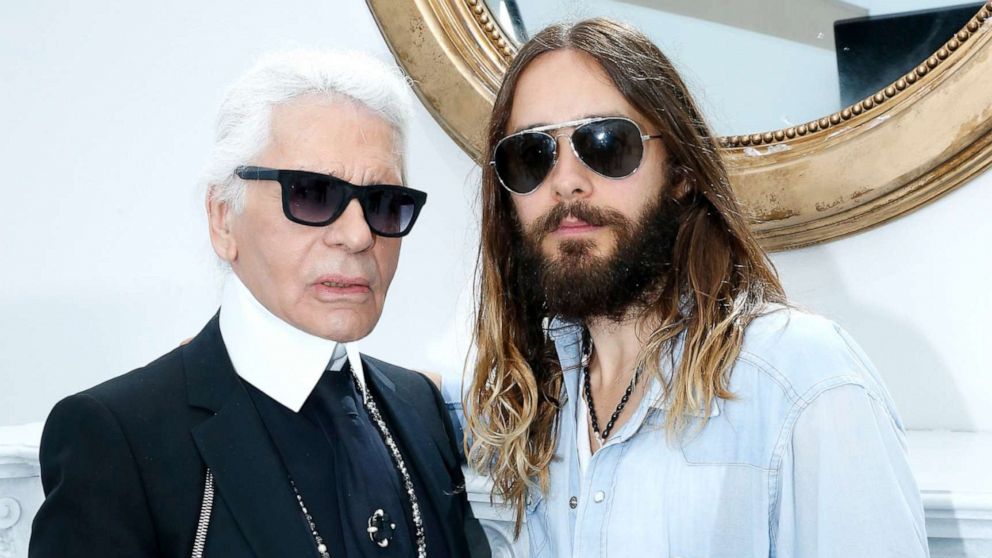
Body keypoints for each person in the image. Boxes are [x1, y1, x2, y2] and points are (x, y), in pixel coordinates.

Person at [465, 18, 929, 557]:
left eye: (606, 144)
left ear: (681, 172)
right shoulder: (532, 394)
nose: (566, 180)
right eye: (531, 155)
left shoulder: (805, 381)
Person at [30, 49, 490, 558]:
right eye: (313, 194)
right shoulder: (118, 439)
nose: (359, 236)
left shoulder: (419, 407)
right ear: (223, 218)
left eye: (382, 202)